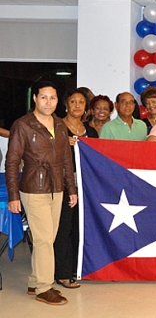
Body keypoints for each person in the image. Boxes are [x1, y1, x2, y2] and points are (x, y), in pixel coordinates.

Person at [5, 81, 77, 305]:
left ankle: (35, 280)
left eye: (53, 98)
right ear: (35, 98)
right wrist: (13, 195)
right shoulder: (23, 125)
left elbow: (66, 159)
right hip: (33, 188)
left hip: (57, 187)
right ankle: (44, 288)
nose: (48, 102)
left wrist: (71, 189)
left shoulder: (60, 124)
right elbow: (12, 162)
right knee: (45, 239)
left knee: (48, 238)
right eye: (44, 97)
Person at [54, 89, 98, 291]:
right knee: (64, 229)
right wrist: (64, 144)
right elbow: (48, 153)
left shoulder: (91, 131)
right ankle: (61, 273)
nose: (77, 106)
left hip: (85, 187)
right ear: (66, 105)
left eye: (81, 102)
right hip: (62, 186)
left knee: (80, 229)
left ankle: (76, 268)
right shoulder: (57, 127)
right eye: (73, 102)